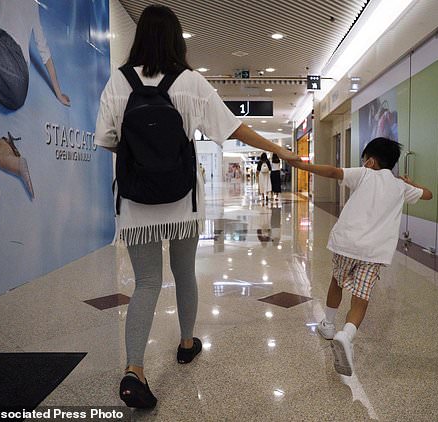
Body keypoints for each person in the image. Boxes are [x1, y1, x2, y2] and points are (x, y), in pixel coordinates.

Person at [94, 5, 297, 409]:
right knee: (184, 272)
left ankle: (134, 369)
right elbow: (233, 127)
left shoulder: (117, 82)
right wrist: (279, 149)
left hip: (136, 203)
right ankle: (186, 344)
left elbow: (105, 139)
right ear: (175, 37)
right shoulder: (190, 82)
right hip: (183, 200)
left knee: (147, 283)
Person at [287, 137, 432, 376]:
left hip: (348, 245)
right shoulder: (400, 186)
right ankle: (347, 334)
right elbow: (428, 195)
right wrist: (411, 182)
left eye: (364, 159)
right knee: (361, 297)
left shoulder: (364, 174)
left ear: (371, 161)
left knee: (337, 281)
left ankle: (329, 325)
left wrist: (302, 165)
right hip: (375, 252)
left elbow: (333, 171)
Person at [0, 0, 70, 265]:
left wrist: (58, 93)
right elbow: (44, 52)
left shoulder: (31, 3)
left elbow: (44, 51)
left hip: (10, 63)